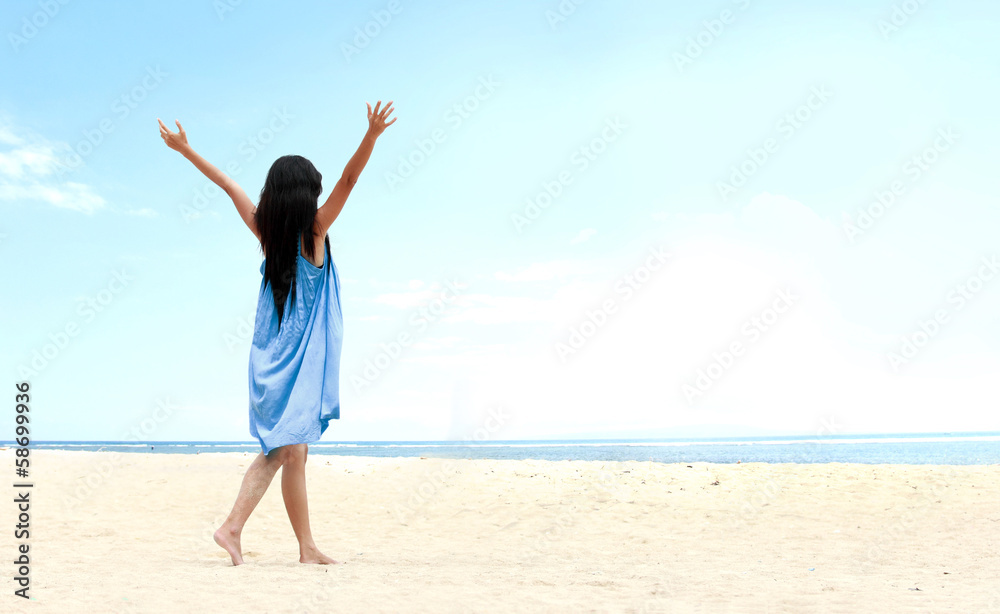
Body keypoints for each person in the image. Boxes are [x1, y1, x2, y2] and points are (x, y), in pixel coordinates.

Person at [157, 100, 396, 566]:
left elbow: (228, 184)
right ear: (307, 196)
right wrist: (371, 135)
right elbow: (350, 180)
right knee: (289, 449)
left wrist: (185, 149)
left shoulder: (265, 232)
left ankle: (291, 543)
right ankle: (241, 530)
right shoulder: (316, 231)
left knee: (293, 451)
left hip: (270, 358)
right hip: (299, 363)